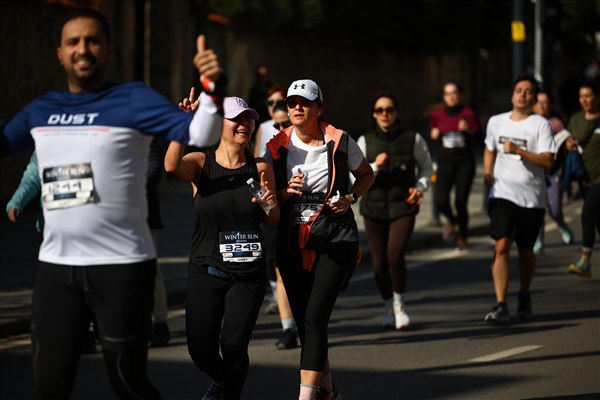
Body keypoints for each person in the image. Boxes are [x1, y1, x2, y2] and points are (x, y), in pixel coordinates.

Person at [0, 8, 224, 399]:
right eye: (73, 41)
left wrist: (211, 88)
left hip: (121, 266)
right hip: (56, 269)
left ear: (108, 50)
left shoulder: (133, 99)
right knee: (48, 386)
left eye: (92, 40)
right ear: (60, 53)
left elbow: (202, 133)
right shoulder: (43, 109)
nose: (83, 48)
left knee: (128, 383)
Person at [265, 79, 374, 400]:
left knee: (315, 317)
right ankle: (327, 389)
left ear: (319, 108)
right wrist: (286, 192)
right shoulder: (275, 147)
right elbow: (266, 198)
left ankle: (307, 395)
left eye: (305, 102)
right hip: (291, 240)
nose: (297, 108)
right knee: (305, 323)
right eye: (292, 103)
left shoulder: (340, 141)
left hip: (335, 237)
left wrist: (350, 197)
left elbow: (366, 174)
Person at [164, 96, 279, 400]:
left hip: (247, 273)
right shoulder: (201, 163)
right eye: (236, 119)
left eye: (248, 118)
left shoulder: (261, 167)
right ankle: (223, 380)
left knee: (233, 345)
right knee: (200, 349)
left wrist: (268, 204)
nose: (244, 124)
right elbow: (171, 166)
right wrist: (183, 124)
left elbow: (273, 221)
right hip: (206, 269)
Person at [357, 92, 433, 330]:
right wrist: (375, 166)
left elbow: (427, 167)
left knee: (394, 257)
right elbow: (354, 175)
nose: (384, 114)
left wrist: (420, 187)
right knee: (379, 264)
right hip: (373, 208)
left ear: (396, 112)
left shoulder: (412, 139)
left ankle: (400, 306)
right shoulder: (365, 141)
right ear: (373, 114)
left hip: (403, 206)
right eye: (379, 110)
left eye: (389, 110)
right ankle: (388, 305)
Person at [483, 74, 555, 323]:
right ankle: (501, 303)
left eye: (528, 92)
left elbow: (547, 160)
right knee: (502, 245)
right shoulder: (496, 122)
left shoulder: (540, 125)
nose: (522, 95)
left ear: (534, 98)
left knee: (525, 250)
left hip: (531, 198)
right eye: (519, 90)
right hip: (501, 193)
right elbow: (489, 148)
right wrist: (488, 171)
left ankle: (524, 294)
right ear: (512, 95)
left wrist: (519, 150)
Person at [429, 81, 481, 250]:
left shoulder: (468, 113)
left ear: (460, 95)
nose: (451, 96)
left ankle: (463, 237)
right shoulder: (437, 115)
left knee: (461, 202)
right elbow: (432, 134)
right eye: (448, 93)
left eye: (454, 93)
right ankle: (452, 220)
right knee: (440, 199)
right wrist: (434, 135)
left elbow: (480, 140)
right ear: (444, 97)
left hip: (464, 162)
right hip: (445, 161)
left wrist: (469, 130)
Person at [532, 91, 574, 254]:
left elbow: (565, 143)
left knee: (555, 210)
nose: (542, 106)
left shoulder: (556, 123)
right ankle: (539, 240)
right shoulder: (528, 122)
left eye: (545, 102)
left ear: (550, 105)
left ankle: (562, 225)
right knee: (538, 209)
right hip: (534, 173)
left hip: (552, 172)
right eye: (538, 102)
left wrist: (568, 144)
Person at [565, 81, 600, 278]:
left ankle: (585, 261)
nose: (584, 100)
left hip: (599, 179)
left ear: (597, 98)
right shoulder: (576, 119)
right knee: (597, 220)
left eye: (588, 96)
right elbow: (568, 138)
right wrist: (568, 144)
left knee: (587, 214)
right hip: (584, 178)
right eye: (581, 96)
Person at [253, 84, 287, 158]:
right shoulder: (263, 127)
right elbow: (256, 155)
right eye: (270, 103)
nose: (274, 105)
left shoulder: (294, 126)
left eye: (279, 102)